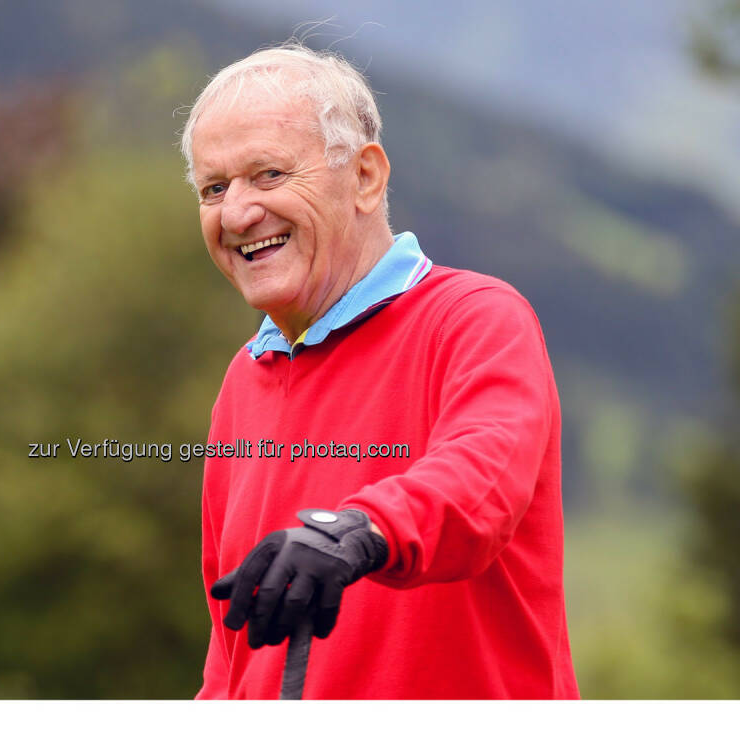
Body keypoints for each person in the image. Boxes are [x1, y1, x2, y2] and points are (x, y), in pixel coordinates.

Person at [181, 43, 579, 700]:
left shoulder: (475, 318)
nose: (237, 213)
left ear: (366, 176)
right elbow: (231, 659)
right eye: (214, 188)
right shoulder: (243, 380)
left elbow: (478, 486)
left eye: (270, 174)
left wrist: (358, 531)